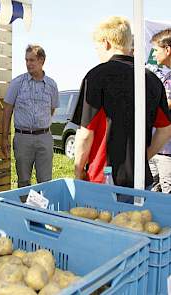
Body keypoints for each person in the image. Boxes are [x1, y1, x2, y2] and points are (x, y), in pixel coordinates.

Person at [72, 16, 171, 190]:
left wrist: (78, 170)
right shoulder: (151, 79)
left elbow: (85, 133)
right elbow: (165, 130)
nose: (97, 51)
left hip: (103, 180)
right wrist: (143, 158)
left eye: (97, 47)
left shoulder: (96, 76)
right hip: (140, 179)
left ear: (106, 42)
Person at [1, 44, 59, 187]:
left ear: (42, 61)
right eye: (26, 60)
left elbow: (51, 110)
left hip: (44, 138)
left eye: (32, 60)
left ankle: (42, 209)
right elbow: (7, 111)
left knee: (45, 181)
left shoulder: (51, 85)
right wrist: (4, 138)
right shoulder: (17, 83)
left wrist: (40, 125)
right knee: (23, 181)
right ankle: (23, 208)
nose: (28, 64)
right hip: (23, 138)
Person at [148, 29, 171, 193]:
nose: (154, 54)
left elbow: (166, 104)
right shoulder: (166, 76)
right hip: (157, 148)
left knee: (167, 193)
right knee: (153, 192)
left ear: (168, 50)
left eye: (156, 49)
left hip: (167, 152)